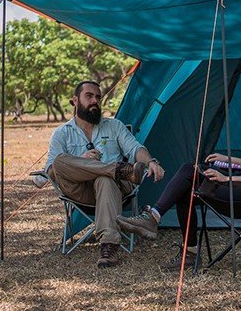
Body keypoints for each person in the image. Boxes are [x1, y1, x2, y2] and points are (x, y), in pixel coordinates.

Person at [116, 84, 241, 270]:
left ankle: (154, 219)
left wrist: (226, 179)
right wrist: (227, 159)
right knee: (186, 187)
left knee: (188, 171)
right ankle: (184, 248)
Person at [46, 80, 165, 268]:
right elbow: (52, 171)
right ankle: (119, 170)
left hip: (114, 189)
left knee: (104, 179)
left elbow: (135, 149)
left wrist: (150, 161)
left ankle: (109, 246)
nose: (95, 101)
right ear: (75, 101)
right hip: (80, 191)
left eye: (98, 97)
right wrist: (82, 160)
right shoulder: (62, 133)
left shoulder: (114, 126)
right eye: (89, 96)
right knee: (59, 161)